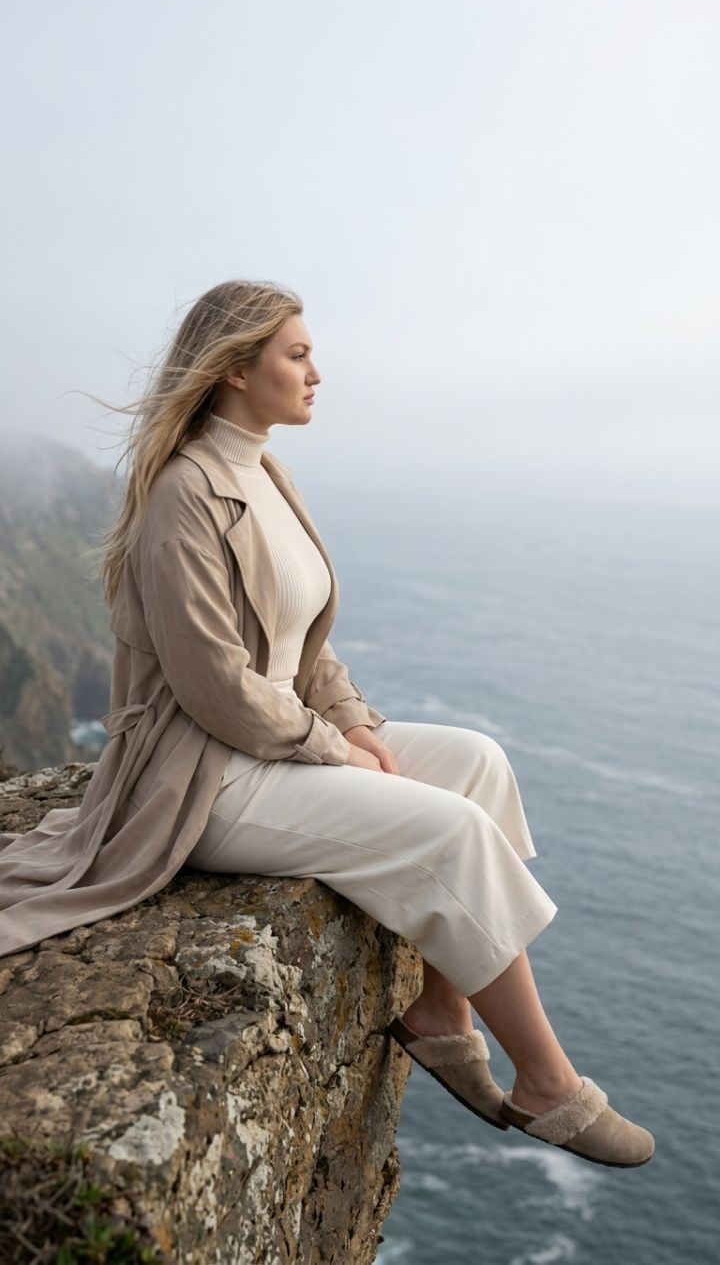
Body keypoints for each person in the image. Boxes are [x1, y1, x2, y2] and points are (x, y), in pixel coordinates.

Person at [0, 279, 653, 1168]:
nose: (317, 373)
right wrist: (327, 746)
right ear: (236, 368)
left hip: (277, 736)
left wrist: (354, 722)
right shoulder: (183, 496)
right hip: (204, 772)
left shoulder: (266, 470)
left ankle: (437, 1007)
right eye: (297, 355)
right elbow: (212, 683)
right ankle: (548, 1087)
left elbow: (305, 643)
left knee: (479, 763)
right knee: (453, 835)